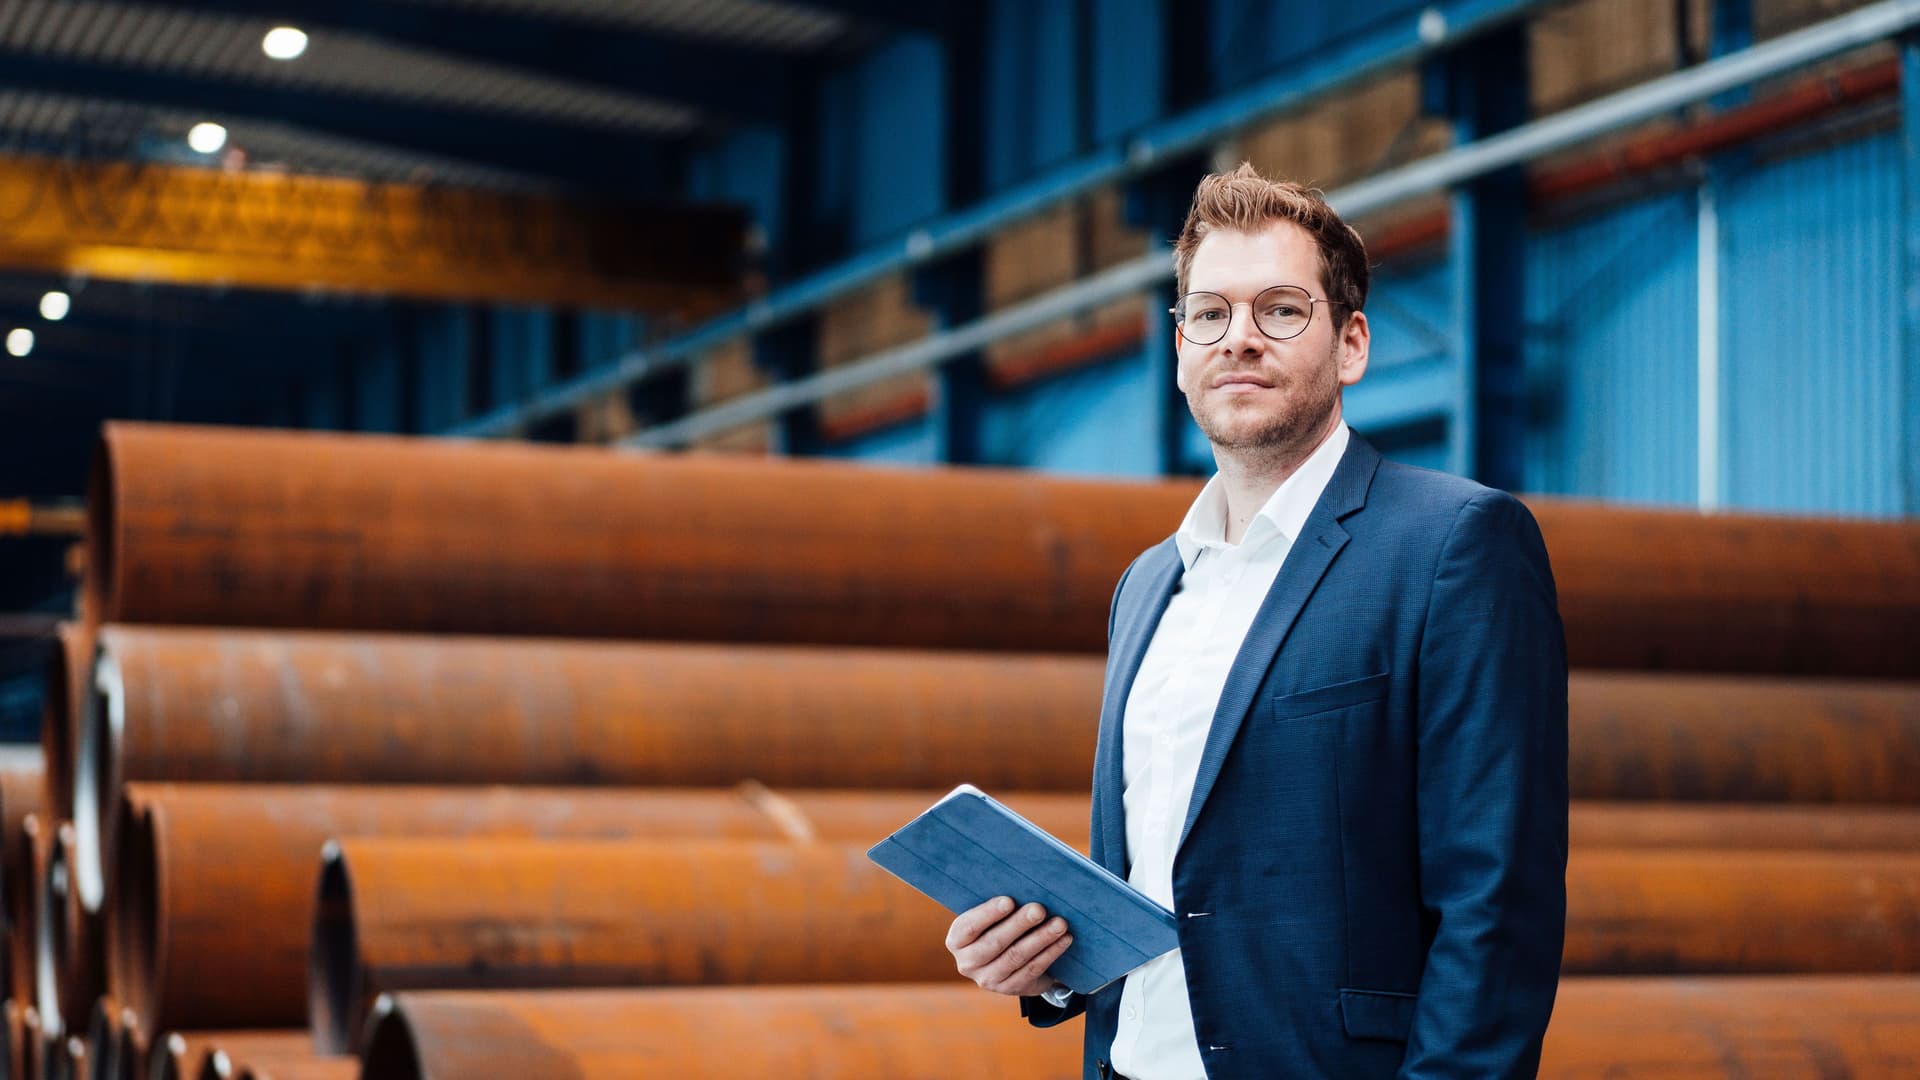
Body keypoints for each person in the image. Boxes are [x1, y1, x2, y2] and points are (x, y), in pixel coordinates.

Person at [943, 163, 1569, 1079]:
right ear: (1181, 349)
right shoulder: (1147, 586)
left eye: (1280, 310)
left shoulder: (1453, 546)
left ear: (1351, 344)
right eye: (1210, 313)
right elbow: (1166, 876)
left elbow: (1497, 905)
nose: (1239, 337)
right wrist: (1051, 969)